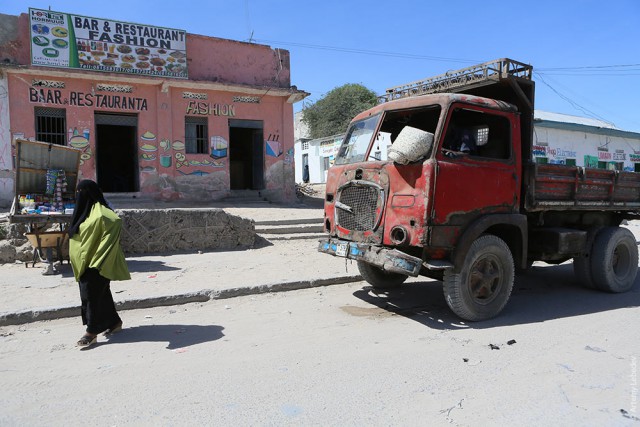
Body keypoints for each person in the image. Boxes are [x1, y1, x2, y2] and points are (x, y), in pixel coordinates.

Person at [68, 180, 131, 348]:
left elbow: (115, 222)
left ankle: (91, 332)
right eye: (78, 191)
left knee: (91, 296)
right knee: (102, 294)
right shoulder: (85, 212)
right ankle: (114, 322)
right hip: (84, 262)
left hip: (98, 263)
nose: (80, 194)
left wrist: (100, 257)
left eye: (83, 191)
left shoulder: (101, 211)